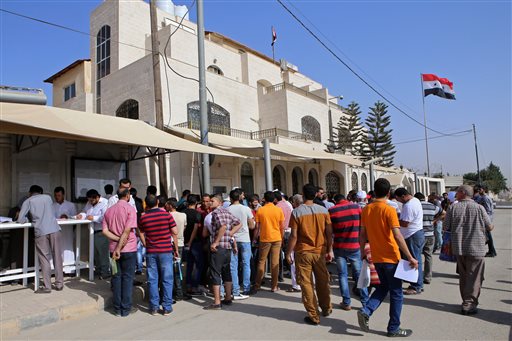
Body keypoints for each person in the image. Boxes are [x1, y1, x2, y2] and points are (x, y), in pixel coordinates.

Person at [357, 178, 418, 337]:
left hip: (376, 256)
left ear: (374, 192)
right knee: (397, 292)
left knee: (383, 287)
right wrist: (410, 257)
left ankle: (366, 310)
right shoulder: (389, 210)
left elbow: (362, 234)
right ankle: (393, 328)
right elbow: (397, 236)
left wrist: (363, 251)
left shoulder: (366, 210)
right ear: (389, 192)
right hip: (391, 257)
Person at [286, 184, 333, 325]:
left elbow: (293, 236)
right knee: (323, 281)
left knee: (306, 283)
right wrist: (330, 249)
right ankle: (326, 308)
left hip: (303, 252)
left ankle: (313, 315)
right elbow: (329, 233)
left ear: (303, 194)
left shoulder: (297, 212)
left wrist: (288, 253)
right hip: (320, 251)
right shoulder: (324, 210)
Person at [444, 185, 493, 315]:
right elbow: (490, 226)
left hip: (459, 248)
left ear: (463, 193)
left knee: (464, 276)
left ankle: (465, 301)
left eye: (457, 192)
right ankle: (469, 303)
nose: (455, 195)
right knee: (475, 277)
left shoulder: (453, 207)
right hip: (477, 248)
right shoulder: (479, 208)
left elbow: (446, 227)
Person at [18, 185, 64, 293]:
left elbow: (20, 219)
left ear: (30, 193)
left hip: (41, 231)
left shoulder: (28, 201)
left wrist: (26, 219)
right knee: (57, 256)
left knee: (44, 258)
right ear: (41, 192)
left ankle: (47, 287)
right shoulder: (48, 198)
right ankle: (59, 284)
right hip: (54, 229)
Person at [138, 195, 177, 315]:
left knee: (152, 279)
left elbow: (140, 231)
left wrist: (145, 243)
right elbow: (174, 232)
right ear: (158, 202)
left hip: (151, 251)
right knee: (167, 279)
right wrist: (175, 249)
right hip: (165, 251)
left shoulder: (144, 218)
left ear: (146, 204)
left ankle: (154, 307)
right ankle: (166, 306)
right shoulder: (166, 215)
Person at [329, 193, 368, 311]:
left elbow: (330, 232)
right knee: (358, 275)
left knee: (342, 275)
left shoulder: (332, 210)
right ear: (346, 199)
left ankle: (346, 302)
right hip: (354, 245)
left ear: (335, 201)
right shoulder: (356, 208)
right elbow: (363, 226)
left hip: (339, 246)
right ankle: (365, 302)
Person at [102, 189, 138, 317]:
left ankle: (117, 309)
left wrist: (116, 241)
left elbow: (105, 231)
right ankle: (125, 308)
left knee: (116, 278)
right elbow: (127, 231)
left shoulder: (109, 211)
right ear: (128, 196)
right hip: (128, 249)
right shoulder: (130, 209)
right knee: (127, 279)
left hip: (113, 250)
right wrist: (120, 245)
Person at [204, 195, 241, 310]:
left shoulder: (216, 213)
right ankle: (228, 297)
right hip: (227, 246)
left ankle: (216, 302)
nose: (210, 202)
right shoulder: (227, 212)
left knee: (215, 273)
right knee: (227, 272)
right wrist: (231, 234)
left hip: (219, 247)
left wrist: (216, 242)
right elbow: (239, 223)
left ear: (219, 202)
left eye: (212, 201)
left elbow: (223, 226)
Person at [395, 187, 424, 295]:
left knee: (414, 259)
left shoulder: (408, 205)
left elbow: (405, 223)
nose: (399, 202)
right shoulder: (415, 200)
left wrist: (393, 220)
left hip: (412, 235)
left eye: (398, 199)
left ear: (403, 196)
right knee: (413, 258)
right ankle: (415, 282)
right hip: (415, 233)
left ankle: (417, 286)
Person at [254, 191, 285, 292]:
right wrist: (282, 237)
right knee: (275, 262)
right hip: (277, 238)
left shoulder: (260, 210)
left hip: (265, 238)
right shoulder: (278, 210)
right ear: (274, 199)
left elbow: (257, 227)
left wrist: (254, 238)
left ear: (264, 199)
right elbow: (282, 227)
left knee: (262, 261)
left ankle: (257, 284)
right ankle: (274, 286)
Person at [227, 189, 255, 299]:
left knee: (233, 265)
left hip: (232, 238)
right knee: (246, 263)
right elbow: (252, 225)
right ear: (239, 197)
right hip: (245, 238)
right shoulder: (246, 209)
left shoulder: (227, 209)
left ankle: (235, 289)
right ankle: (246, 287)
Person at [76, 189, 109, 279]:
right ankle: (98, 270)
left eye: (92, 200)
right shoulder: (89, 203)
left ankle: (105, 272)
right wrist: (81, 215)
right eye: (89, 200)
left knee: (103, 253)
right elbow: (85, 212)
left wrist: (93, 218)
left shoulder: (105, 202)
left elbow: (105, 217)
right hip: (92, 231)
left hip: (102, 231)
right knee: (95, 253)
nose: (90, 202)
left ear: (97, 197)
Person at [414, 192, 442, 285]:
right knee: (428, 256)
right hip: (430, 234)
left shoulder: (416, 206)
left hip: (419, 234)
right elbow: (444, 213)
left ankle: (417, 278)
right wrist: (434, 220)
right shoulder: (432, 206)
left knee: (417, 256)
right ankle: (428, 277)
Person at [166, 197, 187, 300]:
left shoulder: (167, 215)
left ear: (170, 205)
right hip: (180, 243)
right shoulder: (183, 215)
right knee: (178, 269)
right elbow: (184, 227)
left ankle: (173, 292)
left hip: (170, 244)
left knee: (170, 269)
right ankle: (179, 292)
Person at [52, 186, 77, 273]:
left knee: (67, 249)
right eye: (55, 195)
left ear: (63, 195)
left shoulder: (70, 205)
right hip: (56, 230)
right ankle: (55, 270)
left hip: (67, 231)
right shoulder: (52, 205)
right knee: (56, 249)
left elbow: (75, 217)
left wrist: (67, 217)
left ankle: (69, 270)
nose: (57, 197)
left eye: (59, 195)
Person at [183, 195, 204, 296]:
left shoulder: (182, 213)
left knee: (189, 264)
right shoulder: (197, 214)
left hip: (184, 241)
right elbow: (195, 229)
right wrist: (190, 242)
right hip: (195, 242)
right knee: (198, 265)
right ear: (196, 203)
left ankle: (188, 285)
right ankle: (194, 286)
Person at [285, 194, 303, 293]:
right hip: (311, 244)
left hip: (298, 243)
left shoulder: (296, 212)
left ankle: (296, 285)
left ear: (295, 203)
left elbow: (294, 234)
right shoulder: (315, 210)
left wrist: (289, 251)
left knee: (294, 264)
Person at [474, 185, 497, 257]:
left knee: (487, 236)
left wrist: (484, 219)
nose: (478, 190)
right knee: (487, 236)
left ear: (483, 190)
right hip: (486, 218)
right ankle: (492, 251)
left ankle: (492, 252)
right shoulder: (482, 198)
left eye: (480, 189)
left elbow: (488, 210)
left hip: (486, 219)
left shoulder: (485, 198)